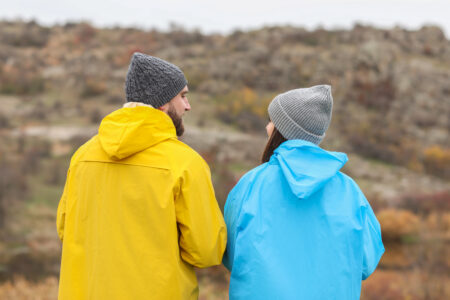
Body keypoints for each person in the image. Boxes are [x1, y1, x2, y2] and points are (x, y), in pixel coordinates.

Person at [56, 52, 227, 300]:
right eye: (183, 96)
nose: (187, 106)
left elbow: (65, 229)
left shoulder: (82, 156)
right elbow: (206, 250)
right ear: (163, 102)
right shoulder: (185, 163)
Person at [223, 85, 384, 300]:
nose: (267, 126)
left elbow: (231, 255)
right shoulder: (350, 191)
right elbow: (366, 262)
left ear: (282, 129)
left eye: (272, 120)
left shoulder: (251, 183)